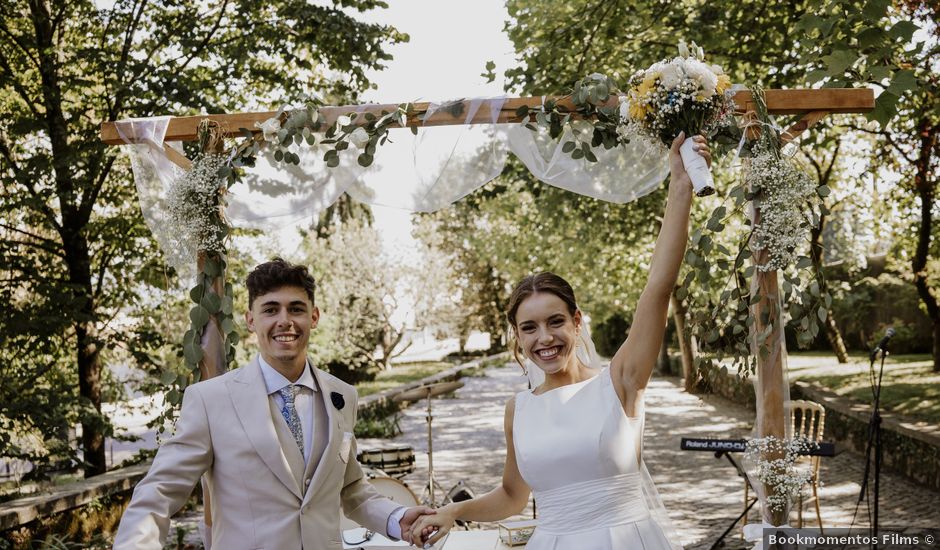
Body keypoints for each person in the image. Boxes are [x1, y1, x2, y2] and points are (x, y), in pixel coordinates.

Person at [410, 133, 711, 548]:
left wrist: (680, 187)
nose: (545, 338)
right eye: (529, 328)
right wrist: (454, 510)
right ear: (517, 336)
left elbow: (658, 288)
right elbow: (513, 497)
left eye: (555, 322)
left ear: (576, 322)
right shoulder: (519, 409)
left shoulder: (621, 382)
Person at [113, 259, 433, 549]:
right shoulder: (209, 400)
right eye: (270, 310)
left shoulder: (342, 396)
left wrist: (396, 518)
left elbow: (351, 489)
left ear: (314, 316)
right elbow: (159, 492)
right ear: (251, 320)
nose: (285, 321)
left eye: (296, 309)